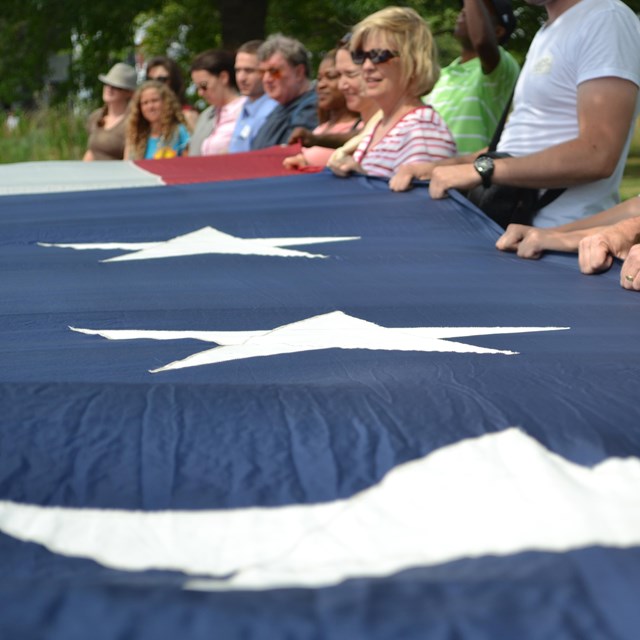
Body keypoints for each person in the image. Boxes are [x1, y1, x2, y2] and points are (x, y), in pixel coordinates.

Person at [424, 0, 640, 229]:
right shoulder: (548, 31)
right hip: (515, 231)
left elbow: (598, 154)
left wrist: (483, 170)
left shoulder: (606, 18)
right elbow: (519, 147)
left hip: (559, 238)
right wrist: (443, 167)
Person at [329, 6, 456, 179]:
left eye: (379, 55)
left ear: (414, 62)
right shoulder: (381, 123)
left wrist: (360, 179)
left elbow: (420, 203)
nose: (366, 66)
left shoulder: (422, 129)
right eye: (360, 56)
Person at [426, 0, 519, 155]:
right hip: (425, 175)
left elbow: (482, 42)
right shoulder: (441, 75)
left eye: (479, 9)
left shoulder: (504, 67)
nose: (464, 10)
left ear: (497, 31)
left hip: (469, 175)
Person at [283, 50, 359, 169]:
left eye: (331, 77)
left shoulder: (361, 128)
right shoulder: (319, 129)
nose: (321, 85)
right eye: (319, 79)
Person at [250, 35, 318, 149]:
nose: (266, 79)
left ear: (299, 72)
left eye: (274, 71)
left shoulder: (313, 107)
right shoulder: (279, 108)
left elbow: (288, 152)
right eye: (262, 72)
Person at [189, 50, 245, 156]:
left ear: (223, 77)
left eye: (204, 86)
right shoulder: (205, 116)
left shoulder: (247, 110)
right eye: (197, 88)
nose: (200, 93)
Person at [228, 40, 278, 153]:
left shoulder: (273, 109)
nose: (241, 78)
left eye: (249, 70)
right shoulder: (246, 105)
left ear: (266, 71)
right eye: (237, 70)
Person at [83, 63, 137, 161]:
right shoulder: (96, 116)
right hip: (90, 173)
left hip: (115, 175)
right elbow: (91, 151)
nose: (109, 89)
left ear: (129, 93)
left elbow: (128, 161)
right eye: (107, 84)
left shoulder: (132, 120)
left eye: (116, 87)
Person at [124, 80, 189, 160]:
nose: (150, 107)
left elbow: (190, 164)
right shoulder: (136, 136)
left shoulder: (179, 132)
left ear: (166, 102)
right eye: (145, 103)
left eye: (154, 100)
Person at [145, 56, 198, 132]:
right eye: (150, 80)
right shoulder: (146, 119)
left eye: (161, 79)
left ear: (174, 81)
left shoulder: (187, 115)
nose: (155, 85)